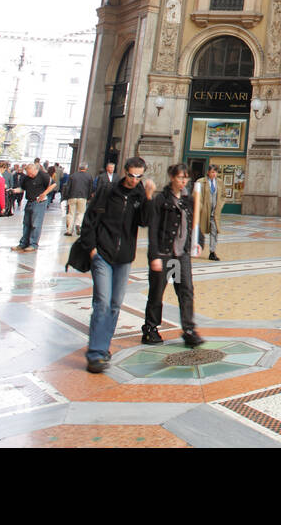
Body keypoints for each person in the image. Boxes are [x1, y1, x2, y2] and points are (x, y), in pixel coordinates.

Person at [78, 157, 154, 373]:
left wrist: (148, 197)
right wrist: (92, 248)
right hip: (102, 254)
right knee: (101, 302)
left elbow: (145, 221)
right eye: (131, 175)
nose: (134, 180)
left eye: (139, 176)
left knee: (114, 304)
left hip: (124, 258)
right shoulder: (108, 190)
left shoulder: (140, 195)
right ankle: (96, 353)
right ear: (125, 172)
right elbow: (90, 218)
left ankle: (103, 346)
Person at [143, 163, 205, 348]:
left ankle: (188, 329)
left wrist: (199, 242)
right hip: (164, 253)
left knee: (186, 290)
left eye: (186, 177)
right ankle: (150, 328)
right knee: (157, 292)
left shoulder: (188, 201)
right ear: (172, 178)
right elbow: (152, 229)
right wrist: (154, 256)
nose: (183, 181)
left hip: (181, 255)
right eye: (180, 177)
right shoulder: (161, 200)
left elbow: (194, 224)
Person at [12, 163, 56, 253]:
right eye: (28, 173)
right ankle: (23, 243)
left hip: (39, 202)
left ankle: (33, 244)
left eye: (31, 173)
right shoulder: (26, 178)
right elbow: (23, 188)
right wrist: (14, 190)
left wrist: (44, 194)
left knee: (36, 224)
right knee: (26, 223)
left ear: (36, 170)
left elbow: (53, 184)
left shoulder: (43, 175)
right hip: (29, 201)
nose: (30, 175)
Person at [194, 165, 224, 261]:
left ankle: (212, 251)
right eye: (212, 172)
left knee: (214, 231)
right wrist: (200, 207)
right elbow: (195, 195)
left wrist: (220, 205)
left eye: (215, 172)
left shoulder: (220, 182)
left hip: (214, 213)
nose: (214, 174)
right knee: (198, 230)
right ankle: (194, 247)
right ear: (208, 172)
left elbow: (223, 195)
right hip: (203, 212)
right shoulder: (200, 182)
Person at [64, 162, 95, 236]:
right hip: (83, 197)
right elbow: (91, 188)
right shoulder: (89, 176)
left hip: (72, 196)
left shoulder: (73, 176)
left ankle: (69, 230)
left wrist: (66, 197)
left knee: (71, 213)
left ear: (78, 167)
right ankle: (78, 224)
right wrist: (89, 197)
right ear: (86, 168)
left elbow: (68, 187)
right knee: (81, 213)